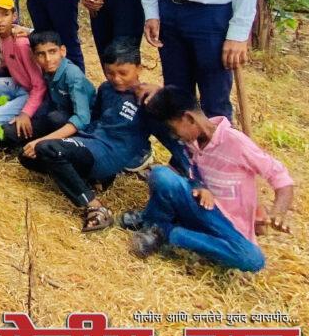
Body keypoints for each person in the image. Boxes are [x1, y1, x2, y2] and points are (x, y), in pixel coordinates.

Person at [18, 38, 187, 233]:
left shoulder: (148, 102)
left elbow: (173, 141)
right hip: (89, 144)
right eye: (110, 73)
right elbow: (94, 119)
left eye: (123, 73)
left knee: (48, 149)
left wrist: (186, 172)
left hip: (109, 154)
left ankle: (95, 206)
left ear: (139, 69)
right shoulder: (106, 89)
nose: (116, 78)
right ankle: (88, 180)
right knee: (26, 156)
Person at [125, 86, 294, 271]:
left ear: (189, 118)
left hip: (228, 225)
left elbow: (282, 179)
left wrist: (278, 212)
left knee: (253, 260)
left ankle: (169, 233)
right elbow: (193, 175)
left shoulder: (236, 143)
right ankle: (153, 224)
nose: (174, 136)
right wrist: (200, 186)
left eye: (173, 129)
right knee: (161, 175)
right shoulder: (191, 143)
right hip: (201, 207)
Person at [0, 0, 48, 146]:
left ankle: (24, 114)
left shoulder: (21, 43)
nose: (0, 20)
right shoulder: (3, 37)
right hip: (17, 84)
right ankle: (10, 106)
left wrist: (25, 113)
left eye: (5, 14)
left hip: (29, 91)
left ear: (14, 16)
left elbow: (39, 85)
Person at [18, 30, 96, 162]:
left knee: (54, 118)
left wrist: (42, 140)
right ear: (34, 57)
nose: (48, 59)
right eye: (41, 54)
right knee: (13, 134)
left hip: (86, 125)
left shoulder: (72, 75)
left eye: (52, 52)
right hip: (63, 115)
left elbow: (82, 119)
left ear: (63, 51)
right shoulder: (48, 71)